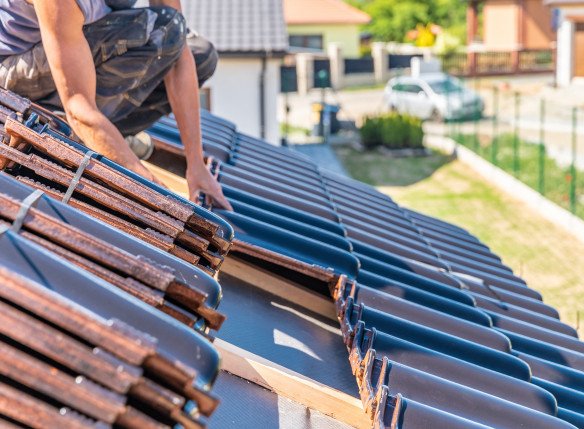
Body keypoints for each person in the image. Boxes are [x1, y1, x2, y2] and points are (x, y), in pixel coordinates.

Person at [0, 0, 232, 209]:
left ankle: (105, 135)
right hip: (15, 70)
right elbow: (77, 105)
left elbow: (179, 53)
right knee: (162, 27)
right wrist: (149, 186)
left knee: (199, 53)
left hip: (75, 43)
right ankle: (64, 129)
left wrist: (196, 166)